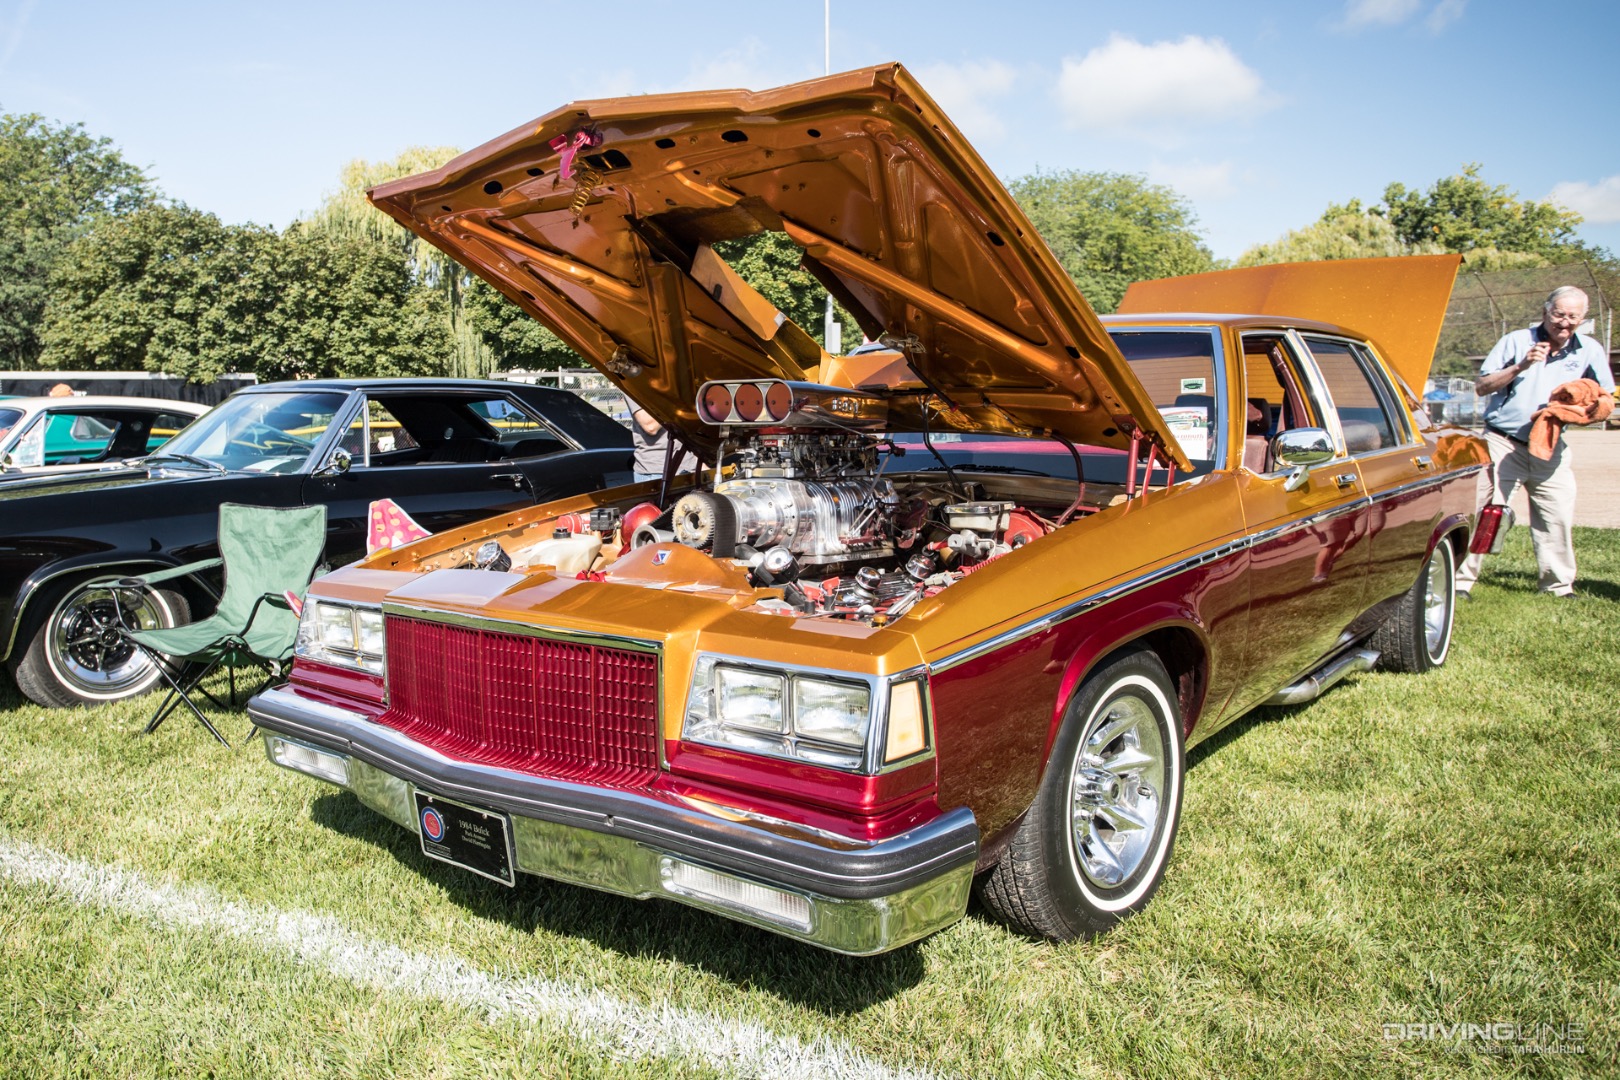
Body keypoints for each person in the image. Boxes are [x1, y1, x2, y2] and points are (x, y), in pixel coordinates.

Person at [1456, 286, 1615, 598]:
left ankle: (1557, 586)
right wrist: (1521, 366)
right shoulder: (1516, 341)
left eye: (1573, 317)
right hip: (1504, 442)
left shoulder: (1590, 349)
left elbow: (1605, 395)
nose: (1564, 322)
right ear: (1545, 312)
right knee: (1488, 511)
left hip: (1551, 444)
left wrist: (1584, 409)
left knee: (1556, 514)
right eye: (1559, 314)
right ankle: (1461, 582)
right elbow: (1482, 386)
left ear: (1583, 319)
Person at [630, 405, 695, 483]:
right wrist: (676, 404)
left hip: (691, 465)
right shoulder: (640, 395)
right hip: (658, 472)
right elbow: (650, 426)